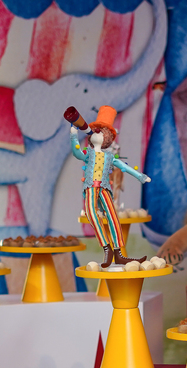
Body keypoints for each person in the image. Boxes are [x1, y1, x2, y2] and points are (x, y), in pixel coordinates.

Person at [69, 106, 151, 268]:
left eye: (100, 132)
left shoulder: (109, 156)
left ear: (107, 138)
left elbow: (124, 167)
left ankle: (118, 253)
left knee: (113, 217)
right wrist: (73, 136)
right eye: (95, 131)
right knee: (92, 214)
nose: (95, 133)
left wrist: (140, 176)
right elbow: (77, 154)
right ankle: (107, 249)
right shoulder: (89, 154)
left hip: (105, 189)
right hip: (90, 188)